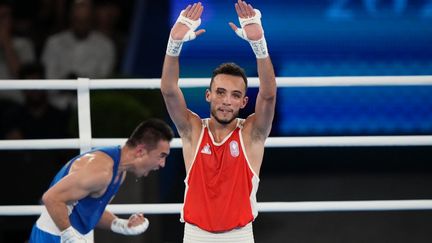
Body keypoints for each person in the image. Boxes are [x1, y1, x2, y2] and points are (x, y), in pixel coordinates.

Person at [161, 1, 276, 242]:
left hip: (240, 235)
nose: (226, 101)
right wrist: (174, 44)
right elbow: (169, 91)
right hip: (195, 234)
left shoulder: (252, 133)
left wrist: (259, 45)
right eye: (221, 92)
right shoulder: (192, 129)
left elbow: (268, 95)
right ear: (208, 95)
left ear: (244, 102)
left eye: (235, 95)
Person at [29, 118, 174, 243]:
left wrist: (122, 225)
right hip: (52, 237)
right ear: (140, 151)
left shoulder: (119, 171)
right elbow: (51, 198)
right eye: (161, 156)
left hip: (66, 235)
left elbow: (89, 211)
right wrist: (69, 236)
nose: (162, 164)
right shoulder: (100, 171)